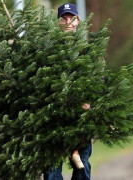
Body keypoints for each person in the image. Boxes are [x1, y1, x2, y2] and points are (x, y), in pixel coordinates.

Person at [43, 3, 92, 180]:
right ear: (58, 23)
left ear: (78, 21)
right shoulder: (48, 51)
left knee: (82, 164)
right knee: (51, 167)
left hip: (80, 120)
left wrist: (89, 102)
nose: (68, 22)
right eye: (63, 19)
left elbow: (98, 82)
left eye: (72, 19)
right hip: (52, 121)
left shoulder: (87, 51)